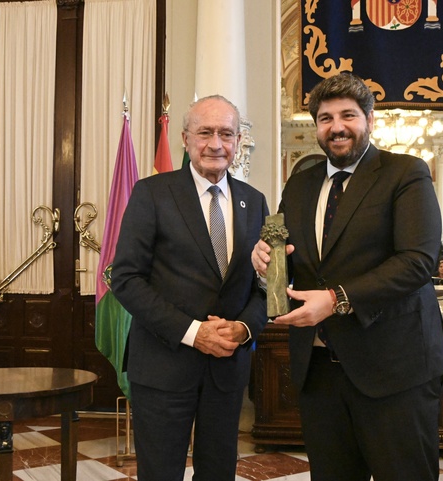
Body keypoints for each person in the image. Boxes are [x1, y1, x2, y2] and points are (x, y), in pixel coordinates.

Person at [251, 73, 443, 481]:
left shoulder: (405, 173)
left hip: (395, 368)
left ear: (370, 120)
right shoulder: (300, 184)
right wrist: (265, 261)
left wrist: (337, 298)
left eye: (348, 115)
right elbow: (290, 261)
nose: (336, 127)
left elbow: (417, 261)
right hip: (319, 371)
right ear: (316, 128)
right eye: (325, 118)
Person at [111, 95, 269, 481]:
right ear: (185, 138)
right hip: (164, 366)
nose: (216, 143)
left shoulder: (255, 201)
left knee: (218, 473)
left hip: (226, 368)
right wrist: (194, 332)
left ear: (238, 141)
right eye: (205, 132)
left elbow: (264, 286)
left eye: (226, 134)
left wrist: (245, 328)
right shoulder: (152, 193)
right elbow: (126, 279)